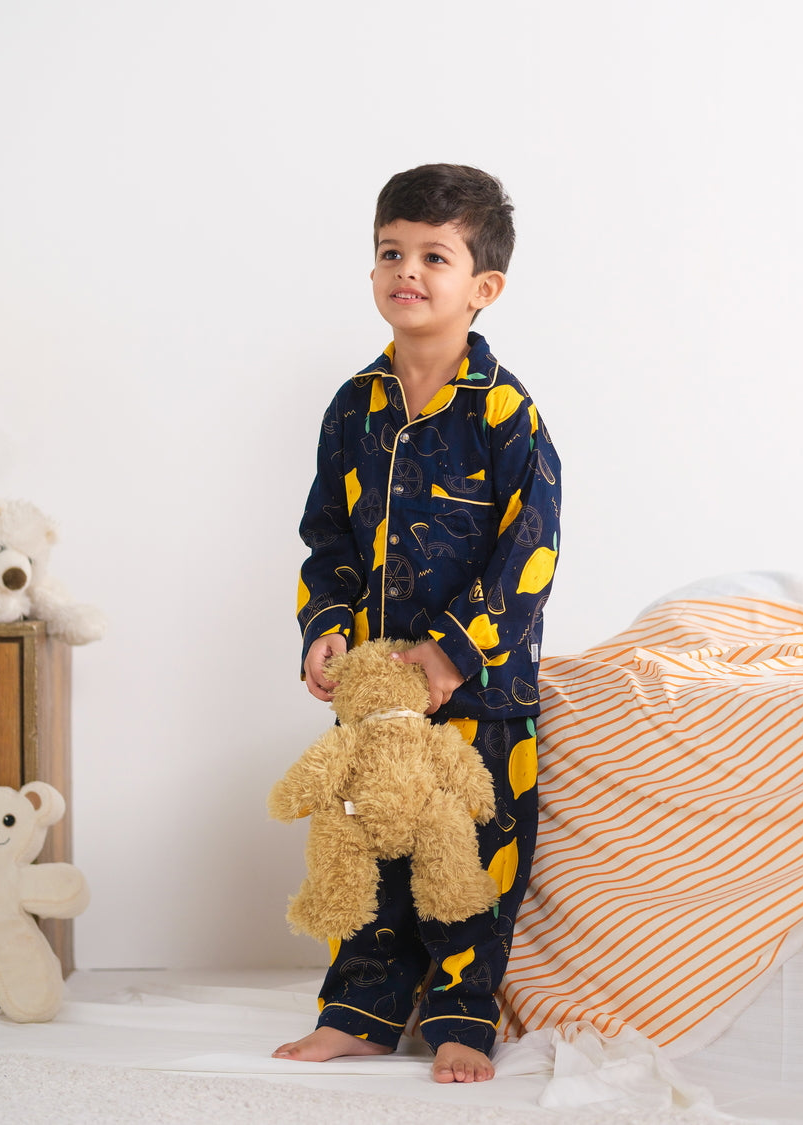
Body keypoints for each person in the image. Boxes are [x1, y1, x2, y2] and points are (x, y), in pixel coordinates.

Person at [273, 163, 561, 1083]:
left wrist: (450, 655)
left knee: (470, 862)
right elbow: (328, 535)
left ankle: (462, 1020)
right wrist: (326, 627)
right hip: (374, 697)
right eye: (391, 251)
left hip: (484, 696)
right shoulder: (352, 405)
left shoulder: (505, 411)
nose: (408, 270)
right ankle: (358, 1012)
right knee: (364, 850)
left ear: (483, 288)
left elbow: (530, 551)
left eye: (436, 256)